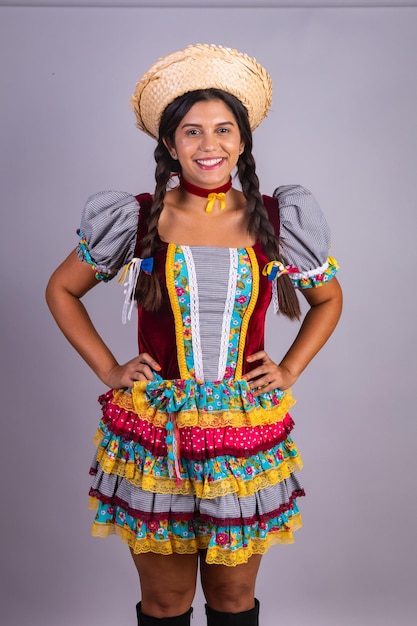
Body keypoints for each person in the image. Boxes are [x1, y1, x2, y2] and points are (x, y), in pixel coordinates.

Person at [46, 44, 342, 626]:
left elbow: (327, 299)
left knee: (232, 598)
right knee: (166, 601)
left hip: (242, 432)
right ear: (168, 144)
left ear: (243, 139)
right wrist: (111, 370)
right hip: (158, 432)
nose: (210, 145)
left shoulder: (277, 222)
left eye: (224, 129)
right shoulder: (136, 218)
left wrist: (288, 370)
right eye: (192, 131)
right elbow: (62, 289)